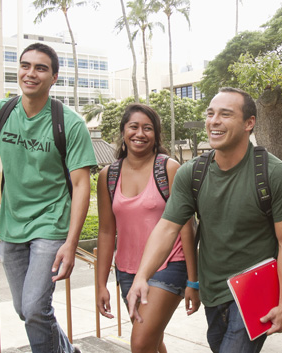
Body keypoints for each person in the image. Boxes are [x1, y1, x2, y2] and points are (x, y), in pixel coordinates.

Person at [126, 87, 282, 352]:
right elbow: (167, 228)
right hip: (213, 292)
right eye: (210, 113)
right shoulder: (193, 173)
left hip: (255, 291)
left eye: (225, 114)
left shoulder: (275, 174)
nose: (214, 121)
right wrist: (142, 276)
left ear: (249, 123)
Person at [0, 43, 96, 353]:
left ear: (54, 77)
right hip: (11, 226)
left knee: (33, 308)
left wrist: (71, 243)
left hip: (51, 223)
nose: (31, 73)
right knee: (26, 310)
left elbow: (82, 185)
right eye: (25, 65)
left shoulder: (69, 123)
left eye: (41, 68)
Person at [95, 104, 199, 353]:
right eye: (133, 126)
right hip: (127, 271)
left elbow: (187, 227)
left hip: (170, 265)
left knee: (140, 343)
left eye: (147, 128)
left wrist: (193, 282)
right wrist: (101, 284)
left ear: (156, 134)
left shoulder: (169, 169)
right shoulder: (108, 176)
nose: (139, 133)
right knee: (151, 342)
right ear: (123, 131)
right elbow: (107, 232)